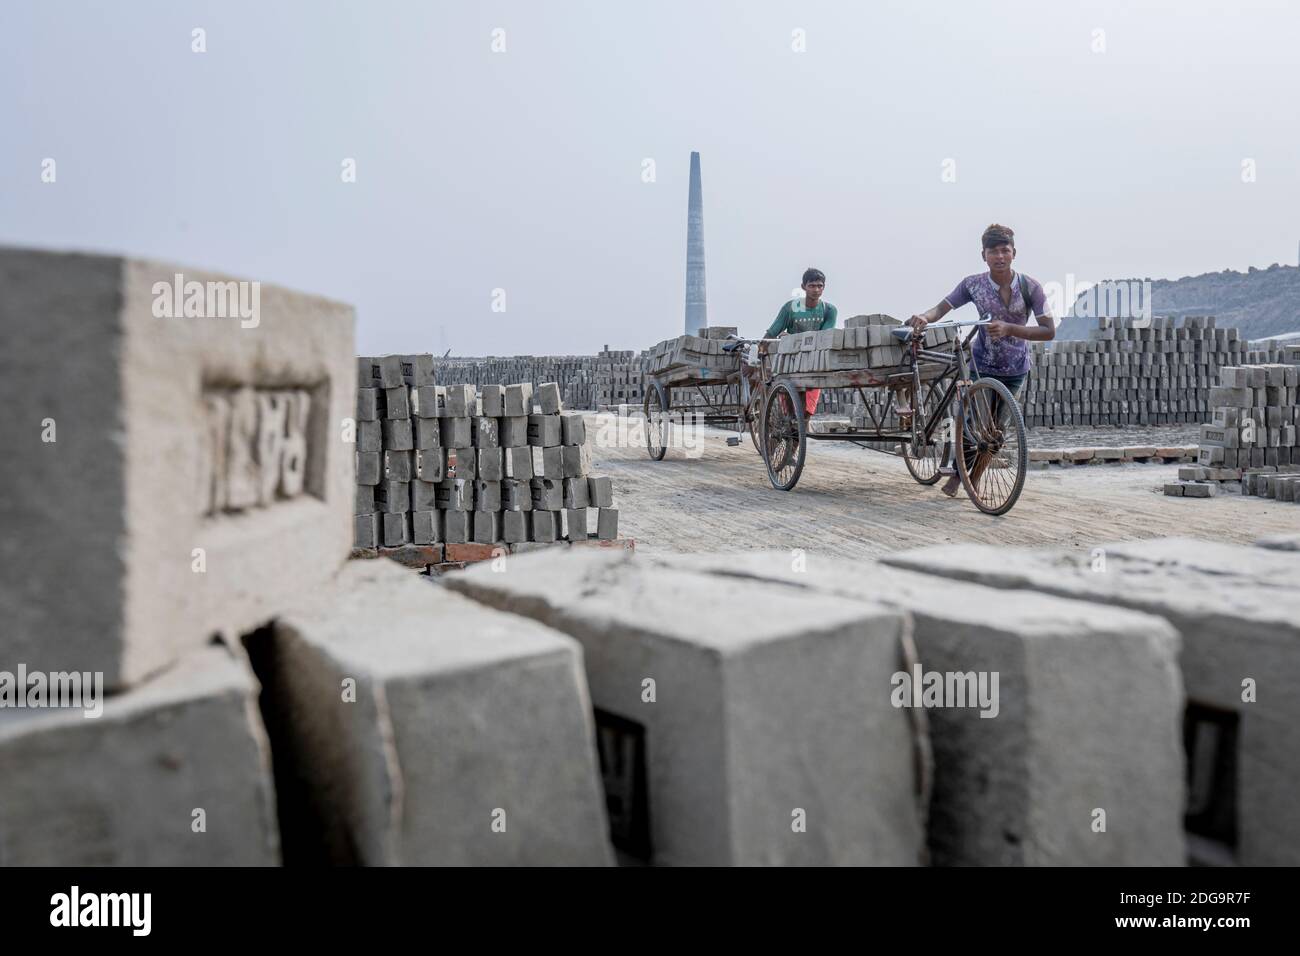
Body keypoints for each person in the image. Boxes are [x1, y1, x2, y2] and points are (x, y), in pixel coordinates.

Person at [908, 223, 1055, 496]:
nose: (999, 257)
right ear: (983, 255)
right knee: (974, 426)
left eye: (1004, 251)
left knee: (996, 434)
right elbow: (942, 307)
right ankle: (957, 474)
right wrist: (925, 317)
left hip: (1015, 369)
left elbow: (1049, 330)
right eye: (993, 252)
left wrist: (1010, 329)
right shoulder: (972, 284)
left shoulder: (1031, 287)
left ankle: (970, 481)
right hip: (981, 365)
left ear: (1014, 253)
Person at [766, 268, 838, 416]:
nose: (816, 290)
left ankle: (801, 434)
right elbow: (772, 332)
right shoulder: (790, 308)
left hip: (814, 365)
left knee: (807, 413)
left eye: (820, 286)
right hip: (790, 364)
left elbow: (823, 337)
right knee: (789, 412)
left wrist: (791, 337)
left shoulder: (829, 310)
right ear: (803, 286)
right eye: (812, 285)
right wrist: (759, 351)